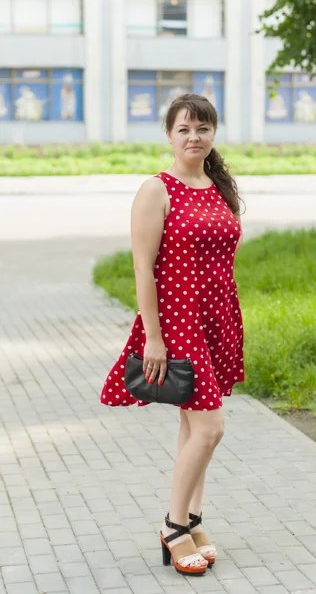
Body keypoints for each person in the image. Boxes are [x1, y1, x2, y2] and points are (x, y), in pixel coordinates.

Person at [100, 93, 245, 576]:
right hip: (177, 323)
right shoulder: (156, 190)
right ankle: (173, 526)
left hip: (215, 318)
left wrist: (223, 318)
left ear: (213, 134)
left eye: (202, 129)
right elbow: (143, 269)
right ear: (169, 134)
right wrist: (153, 339)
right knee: (211, 428)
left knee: (192, 426)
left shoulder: (217, 186)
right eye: (184, 129)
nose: (193, 137)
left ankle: (194, 519)